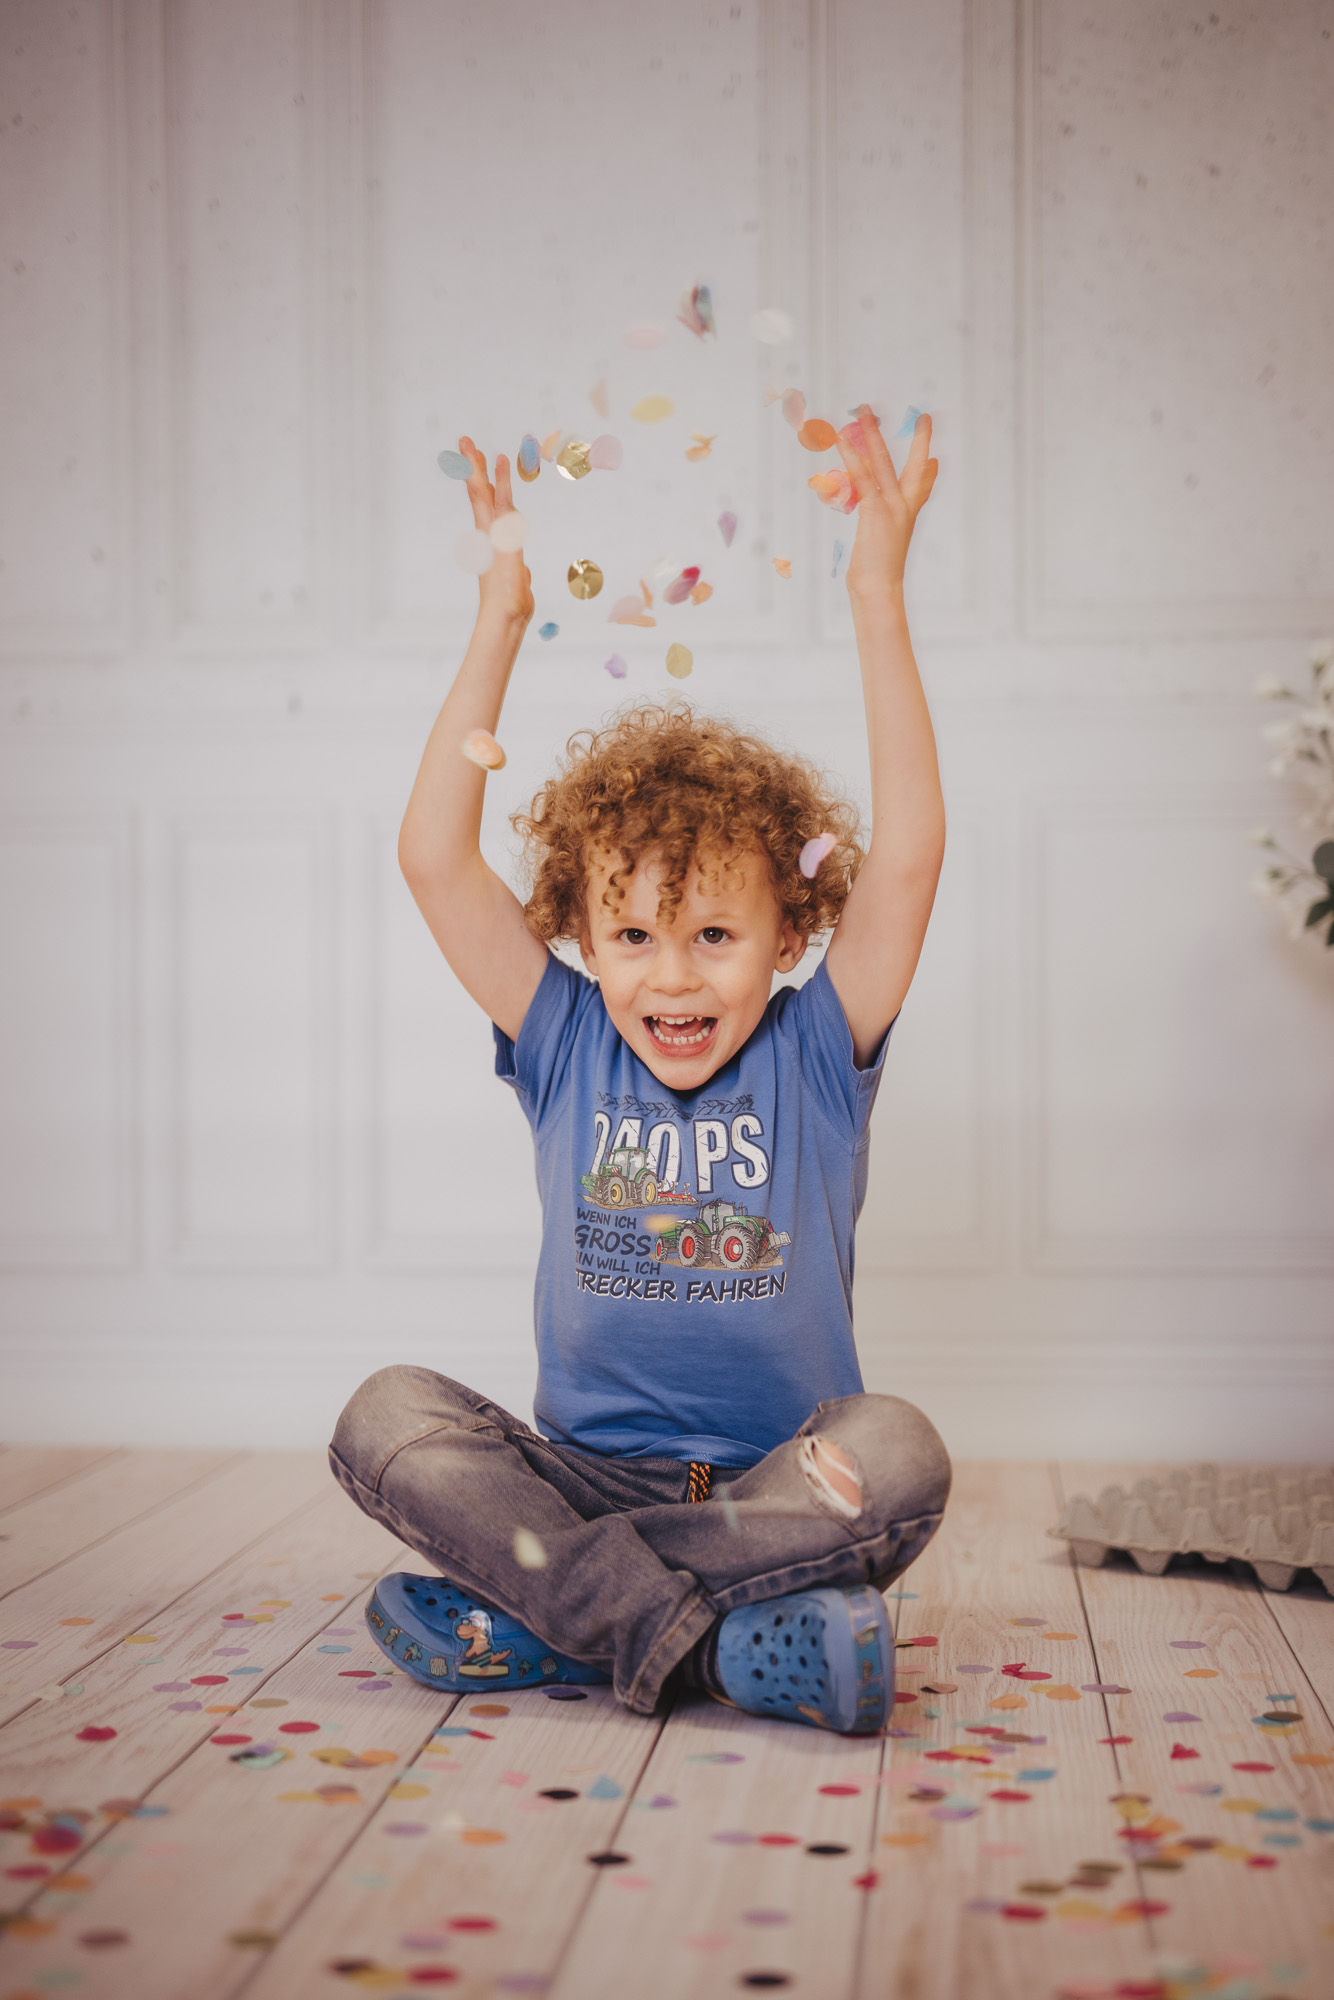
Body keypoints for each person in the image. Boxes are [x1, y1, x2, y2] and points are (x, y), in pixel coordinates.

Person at [331, 405, 952, 1734]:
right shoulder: (562, 1039)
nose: (671, 977)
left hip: (774, 1492)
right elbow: (436, 859)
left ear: (790, 937)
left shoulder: (813, 1053)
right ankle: (723, 1653)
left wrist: (875, 595)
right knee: (386, 1416)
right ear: (579, 934)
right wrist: (500, 615)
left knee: (896, 1449)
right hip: (577, 1483)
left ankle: (551, 1620)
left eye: (715, 936)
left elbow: (903, 859)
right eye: (633, 936)